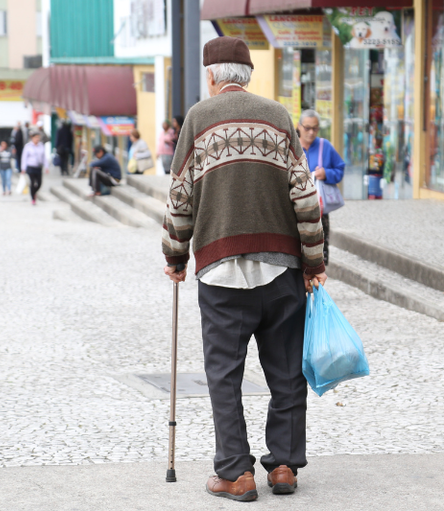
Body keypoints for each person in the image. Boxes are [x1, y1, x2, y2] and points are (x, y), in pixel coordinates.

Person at [161, 36, 326, 502]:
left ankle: (236, 474)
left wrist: (175, 257)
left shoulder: (198, 117)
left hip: (220, 273)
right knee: (287, 373)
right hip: (282, 271)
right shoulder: (278, 116)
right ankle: (285, 467)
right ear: (248, 75)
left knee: (225, 376)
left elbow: (180, 199)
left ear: (212, 76)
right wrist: (314, 263)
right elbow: (305, 196)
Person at [298, 109, 345, 266]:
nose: (311, 132)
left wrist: (327, 173)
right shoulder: (292, 147)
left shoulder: (325, 146)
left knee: (320, 254)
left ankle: (318, 283)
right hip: (296, 209)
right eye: (307, 128)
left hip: (319, 210)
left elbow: (340, 169)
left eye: (315, 128)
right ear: (299, 127)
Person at [21, 131, 48, 205]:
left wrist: (46, 166)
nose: (37, 139)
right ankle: (33, 198)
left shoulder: (41, 145)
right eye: (36, 137)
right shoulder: (28, 146)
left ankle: (34, 192)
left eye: (38, 137)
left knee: (39, 183)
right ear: (32, 138)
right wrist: (23, 168)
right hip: (30, 167)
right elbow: (24, 158)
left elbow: (44, 157)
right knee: (32, 183)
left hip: (38, 167)